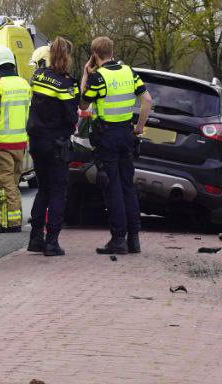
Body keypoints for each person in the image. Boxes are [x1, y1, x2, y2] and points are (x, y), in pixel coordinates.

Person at [80, 36, 152, 254]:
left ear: (94, 55)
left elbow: (83, 103)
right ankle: (134, 239)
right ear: (112, 52)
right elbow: (147, 100)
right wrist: (139, 127)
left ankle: (118, 239)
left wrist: (85, 75)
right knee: (128, 185)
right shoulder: (129, 72)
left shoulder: (98, 78)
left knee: (113, 188)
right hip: (126, 135)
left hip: (107, 137)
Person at [26, 38, 78, 257]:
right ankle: (52, 242)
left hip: (37, 141)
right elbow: (71, 116)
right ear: (67, 57)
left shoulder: (38, 76)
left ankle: (35, 238)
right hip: (56, 143)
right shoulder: (66, 83)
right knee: (58, 191)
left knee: (44, 189)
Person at [0, 46, 33, 235]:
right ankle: (11, 220)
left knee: (4, 185)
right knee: (13, 184)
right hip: (20, 143)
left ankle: (10, 224)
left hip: (1, 144)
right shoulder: (24, 84)